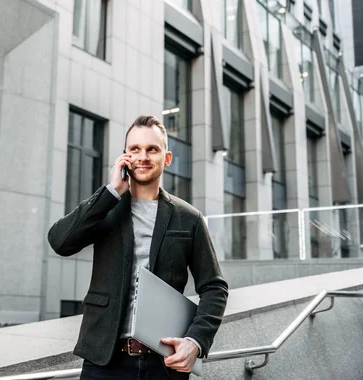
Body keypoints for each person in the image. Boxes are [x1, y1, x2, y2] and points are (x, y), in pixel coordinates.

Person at [48, 115, 228, 379]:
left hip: (164, 364)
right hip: (104, 363)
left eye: (152, 149)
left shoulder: (189, 218)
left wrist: (196, 341)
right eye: (135, 149)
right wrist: (111, 191)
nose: (143, 156)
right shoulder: (106, 209)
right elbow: (60, 242)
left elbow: (215, 287)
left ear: (166, 158)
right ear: (125, 157)